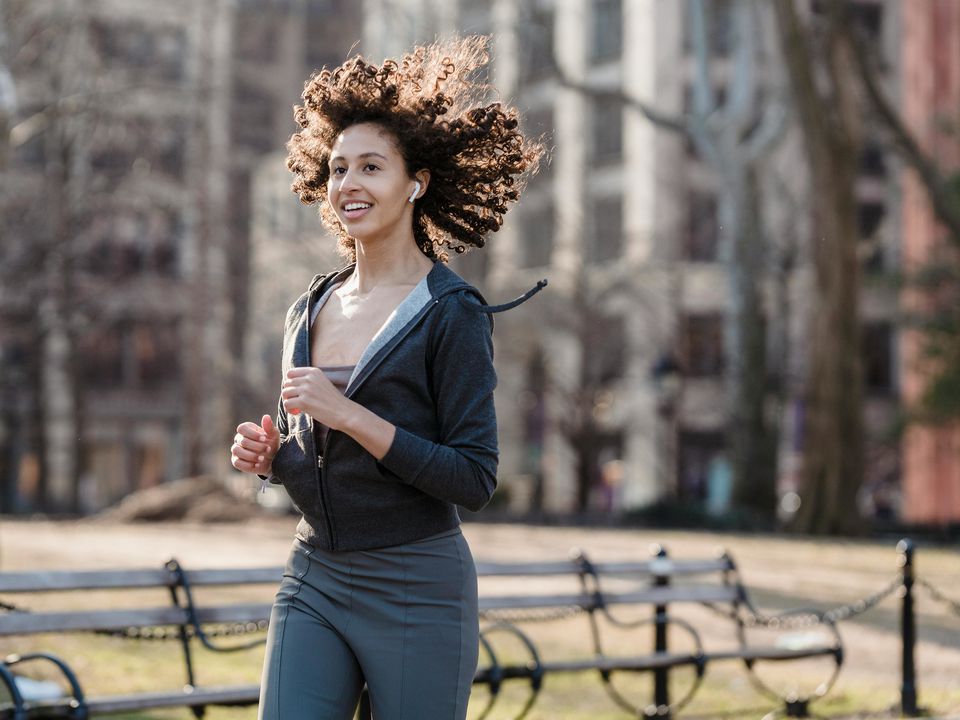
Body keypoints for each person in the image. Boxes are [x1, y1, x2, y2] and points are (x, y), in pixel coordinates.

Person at [229, 36, 545, 720]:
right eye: (338, 168)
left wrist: (347, 416)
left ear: (416, 183)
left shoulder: (449, 313)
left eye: (371, 167)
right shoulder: (306, 309)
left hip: (417, 586)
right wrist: (274, 459)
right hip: (315, 574)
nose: (349, 185)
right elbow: (321, 461)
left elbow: (473, 477)